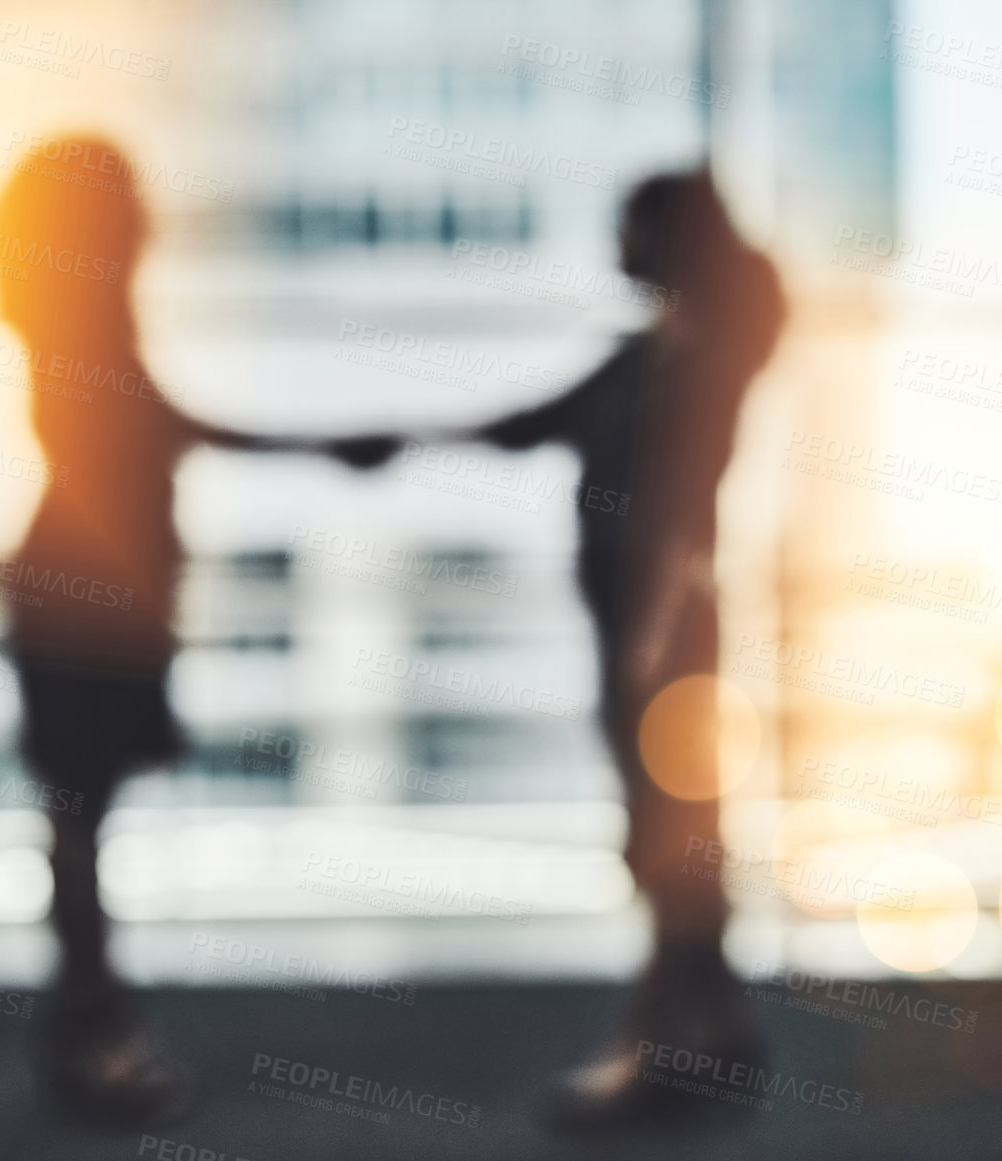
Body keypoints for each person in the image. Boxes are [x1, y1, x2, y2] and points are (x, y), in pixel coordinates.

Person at [0, 134, 390, 1128]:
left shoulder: (69, 319)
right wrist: (316, 446)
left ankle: (90, 1036)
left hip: (84, 596)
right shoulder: (80, 325)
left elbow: (148, 432)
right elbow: (152, 433)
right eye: (124, 202)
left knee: (78, 828)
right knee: (81, 830)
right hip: (89, 603)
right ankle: (91, 1042)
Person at [429, 171, 785, 1130]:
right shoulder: (652, 354)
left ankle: (662, 1052)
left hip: (660, 636)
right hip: (643, 629)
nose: (611, 248)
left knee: (668, 837)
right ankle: (713, 1038)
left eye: (625, 229)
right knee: (678, 838)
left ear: (669, 243)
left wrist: (653, 634)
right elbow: (525, 423)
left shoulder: (700, 359)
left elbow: (683, 507)